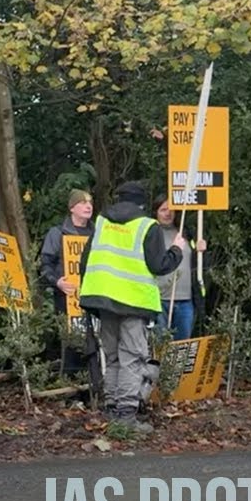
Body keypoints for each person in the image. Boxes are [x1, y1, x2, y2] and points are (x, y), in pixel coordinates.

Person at [77, 180, 185, 434]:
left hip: (103, 299)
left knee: (113, 357)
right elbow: (159, 265)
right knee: (132, 358)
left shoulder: (102, 222)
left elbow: (85, 260)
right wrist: (176, 250)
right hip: (133, 302)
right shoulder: (147, 226)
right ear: (142, 203)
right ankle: (126, 415)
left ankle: (112, 409)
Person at [39, 189, 96, 376]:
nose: (88, 206)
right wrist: (57, 282)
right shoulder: (58, 233)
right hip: (67, 297)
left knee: (95, 339)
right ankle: (71, 381)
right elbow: (45, 264)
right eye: (83, 202)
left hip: (94, 296)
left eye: (90, 202)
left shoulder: (98, 233)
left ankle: (94, 380)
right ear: (72, 208)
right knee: (71, 341)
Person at [152, 195, 207, 340]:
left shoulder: (186, 232)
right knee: (160, 345)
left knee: (182, 346)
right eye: (163, 210)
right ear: (155, 212)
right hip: (159, 299)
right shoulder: (151, 234)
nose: (168, 213)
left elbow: (197, 264)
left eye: (171, 209)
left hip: (185, 300)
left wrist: (200, 251)